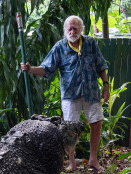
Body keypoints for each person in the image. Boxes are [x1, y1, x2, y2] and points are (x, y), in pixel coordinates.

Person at [20, 15, 109, 171]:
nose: (72, 31)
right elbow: (46, 68)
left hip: (91, 92)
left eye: (75, 28)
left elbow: (101, 65)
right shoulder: (59, 46)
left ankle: (93, 160)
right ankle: (72, 163)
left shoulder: (91, 43)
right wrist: (30, 69)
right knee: (69, 130)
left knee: (96, 123)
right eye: (69, 28)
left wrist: (106, 85)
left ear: (81, 29)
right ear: (65, 30)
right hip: (70, 95)